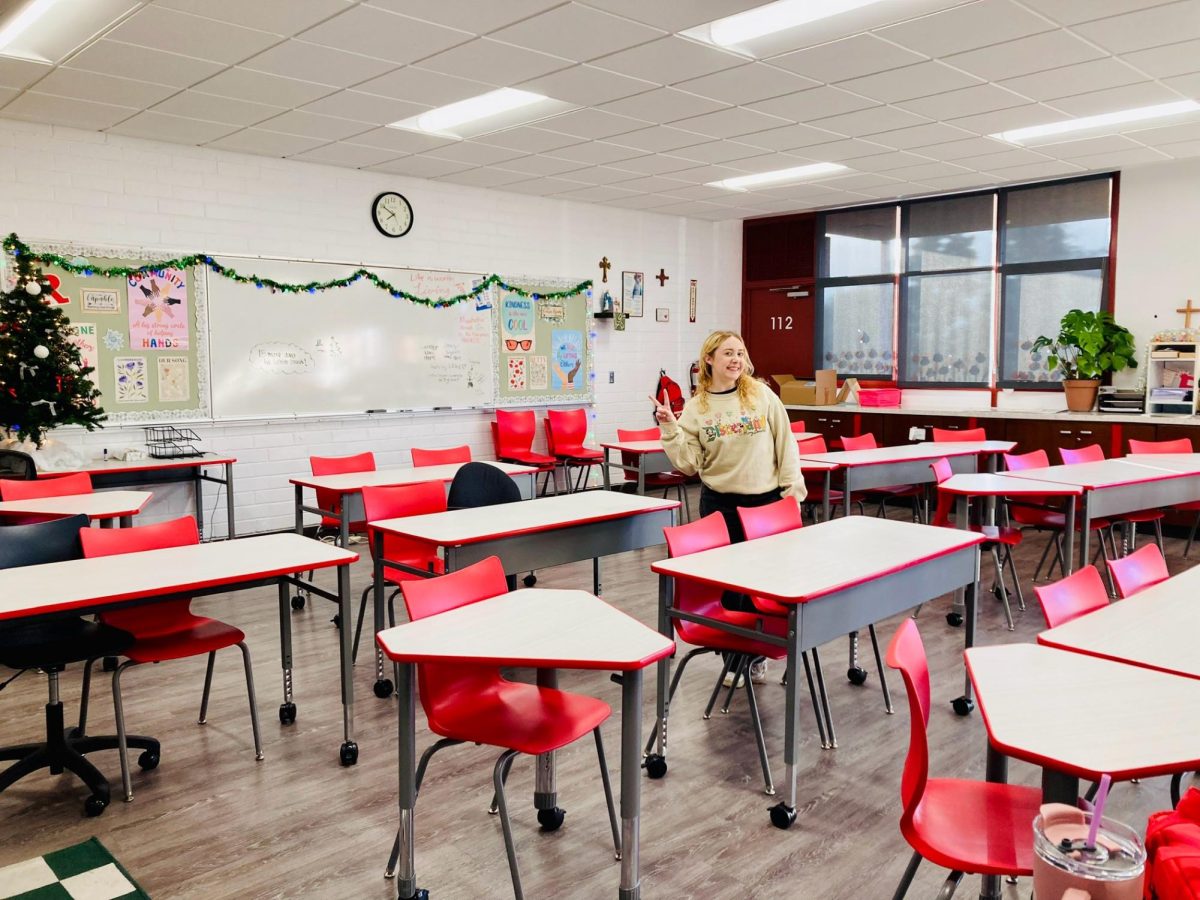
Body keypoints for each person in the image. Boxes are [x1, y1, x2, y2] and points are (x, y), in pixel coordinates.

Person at [651, 330, 805, 684]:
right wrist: (670, 427)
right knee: (729, 586)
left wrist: (792, 492)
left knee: (762, 584)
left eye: (740, 353)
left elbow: (787, 444)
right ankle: (739, 658)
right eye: (727, 354)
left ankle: (760, 652)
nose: (735, 360)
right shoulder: (697, 406)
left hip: (765, 504)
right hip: (720, 504)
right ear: (709, 359)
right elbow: (688, 464)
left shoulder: (761, 395)